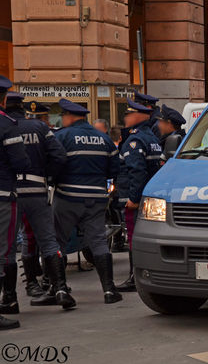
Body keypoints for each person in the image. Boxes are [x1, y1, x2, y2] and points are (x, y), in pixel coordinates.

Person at [1, 92, 69, 313]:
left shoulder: (6, 126)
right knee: (48, 241)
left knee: (11, 247)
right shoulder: (39, 128)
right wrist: (48, 177)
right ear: (22, 107)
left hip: (10, 193)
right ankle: (60, 289)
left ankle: (23, 289)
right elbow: (59, 156)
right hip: (37, 191)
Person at [51, 99, 121, 304]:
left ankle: (61, 290)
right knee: (98, 241)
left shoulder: (62, 137)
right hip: (97, 198)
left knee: (58, 242)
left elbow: (54, 164)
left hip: (67, 196)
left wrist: (54, 180)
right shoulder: (104, 139)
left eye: (62, 116)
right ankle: (109, 290)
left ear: (69, 117)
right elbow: (114, 170)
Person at [115, 98, 162, 292]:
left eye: (128, 114)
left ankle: (135, 277)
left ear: (137, 116)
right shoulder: (151, 138)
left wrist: (133, 199)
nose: (125, 118)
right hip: (149, 198)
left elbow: (137, 172)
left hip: (136, 200)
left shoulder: (135, 141)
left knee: (134, 238)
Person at [0, 76, 31, 330]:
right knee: (4, 251)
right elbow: (21, 162)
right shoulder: (7, 125)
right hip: (2, 195)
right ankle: (7, 300)